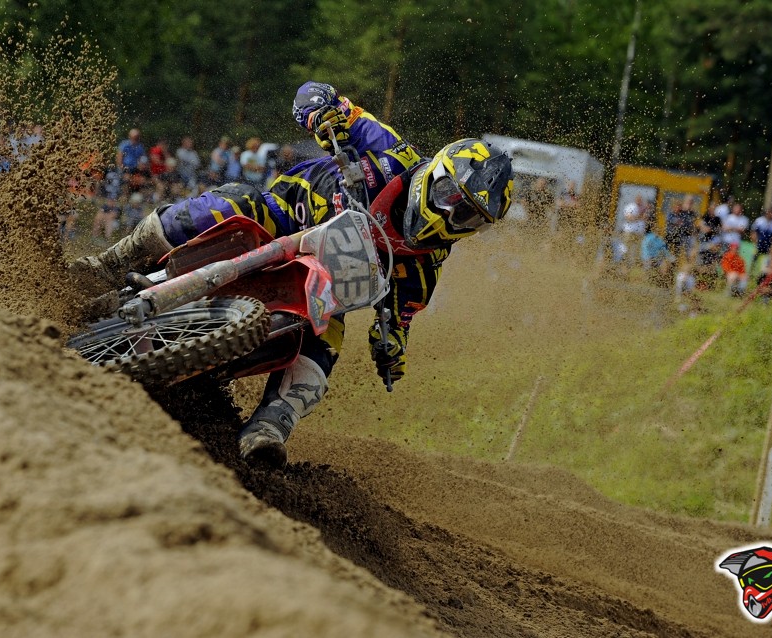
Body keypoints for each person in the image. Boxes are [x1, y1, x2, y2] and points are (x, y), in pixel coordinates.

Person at [71, 81, 514, 467]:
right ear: (436, 172)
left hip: (322, 287)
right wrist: (320, 108)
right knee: (230, 203)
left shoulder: (425, 264)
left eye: (467, 217)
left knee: (327, 341)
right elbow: (317, 97)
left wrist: (392, 346)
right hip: (279, 219)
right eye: (450, 196)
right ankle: (111, 263)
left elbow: (399, 317)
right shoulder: (389, 149)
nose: (449, 214)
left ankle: (270, 425)